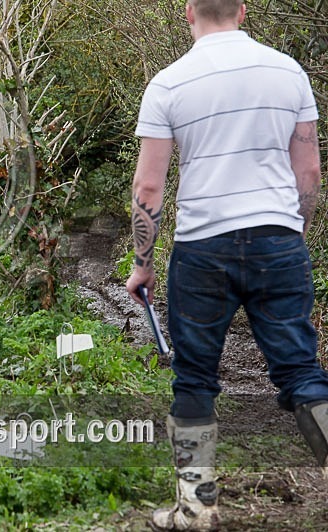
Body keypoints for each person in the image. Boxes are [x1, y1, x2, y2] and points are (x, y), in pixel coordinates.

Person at [125, 1, 328, 529]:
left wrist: (143, 264)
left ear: (188, 12)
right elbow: (308, 172)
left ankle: (195, 508)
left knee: (194, 377)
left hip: (202, 248)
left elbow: (149, 187)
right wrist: (290, 235)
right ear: (242, 10)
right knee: (301, 369)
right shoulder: (289, 72)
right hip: (278, 240)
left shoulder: (169, 84)